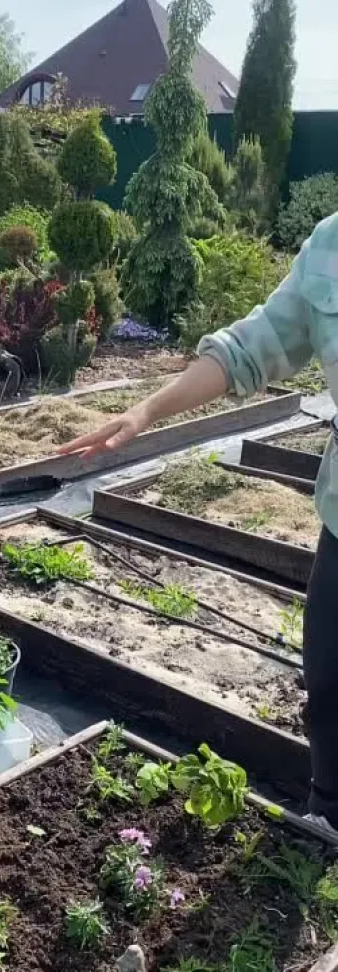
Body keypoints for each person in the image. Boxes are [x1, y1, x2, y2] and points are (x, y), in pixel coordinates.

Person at [60, 212, 338, 834]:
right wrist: (147, 409)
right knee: (331, 683)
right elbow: (254, 345)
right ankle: (327, 820)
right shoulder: (331, 243)